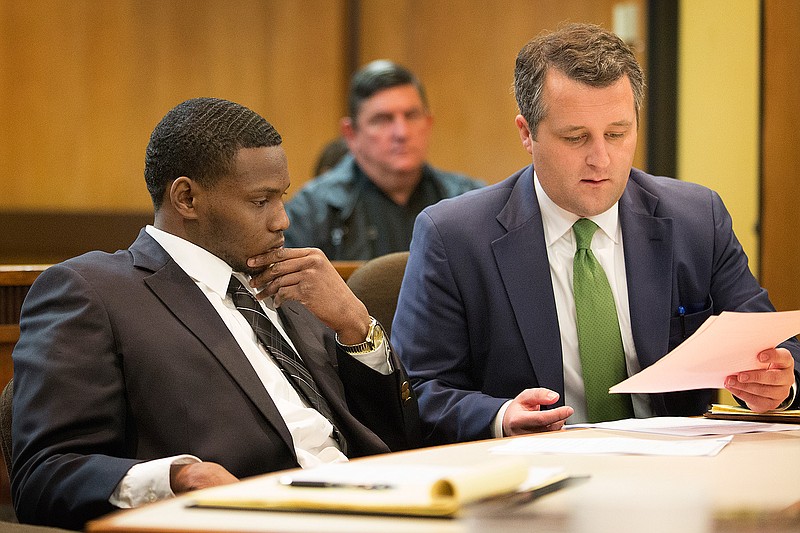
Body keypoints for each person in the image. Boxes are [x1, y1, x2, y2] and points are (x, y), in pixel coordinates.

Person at [11, 97, 421, 530]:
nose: (282, 220)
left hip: (379, 505)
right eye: (260, 201)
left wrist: (357, 327)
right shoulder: (92, 291)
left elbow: (399, 437)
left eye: (281, 197)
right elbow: (43, 475)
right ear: (187, 197)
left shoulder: (292, 285)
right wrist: (179, 477)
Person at [392, 23, 800, 446]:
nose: (601, 159)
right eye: (576, 137)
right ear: (527, 134)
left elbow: (777, 345)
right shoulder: (453, 237)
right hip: (534, 475)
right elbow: (416, 392)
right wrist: (499, 415)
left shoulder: (697, 219)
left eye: (617, 134)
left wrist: (779, 381)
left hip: (676, 473)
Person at [284, 60, 483, 260]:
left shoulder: (470, 201)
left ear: (428, 123)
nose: (401, 133)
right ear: (351, 134)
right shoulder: (311, 213)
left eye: (411, 116)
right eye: (383, 119)